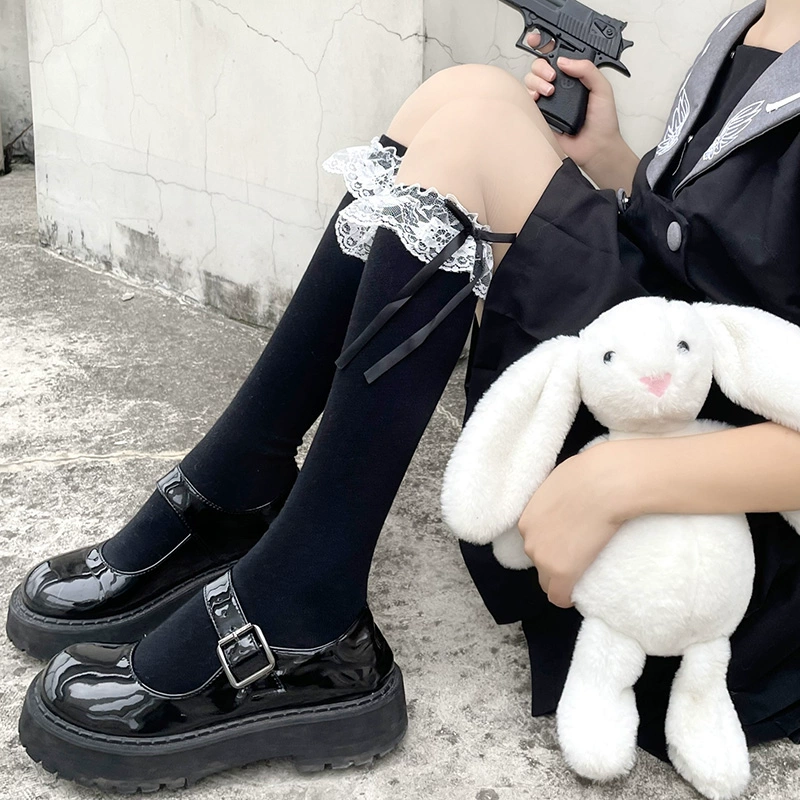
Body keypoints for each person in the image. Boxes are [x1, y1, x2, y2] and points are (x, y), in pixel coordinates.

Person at [8, 0, 800, 790]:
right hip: (670, 360)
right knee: (462, 96)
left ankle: (303, 607)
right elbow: (715, 247)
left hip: (712, 533)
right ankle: (240, 485)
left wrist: (622, 478)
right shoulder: (756, 20)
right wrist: (614, 156)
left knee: (473, 137)